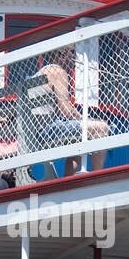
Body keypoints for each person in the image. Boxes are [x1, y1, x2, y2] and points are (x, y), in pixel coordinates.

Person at [39, 47, 108, 175]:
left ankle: (67, 180)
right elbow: (66, 110)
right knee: (101, 127)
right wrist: (85, 119)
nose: (76, 58)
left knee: (77, 136)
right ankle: (97, 178)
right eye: (73, 53)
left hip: (32, 131)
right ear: (62, 55)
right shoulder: (58, 71)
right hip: (44, 131)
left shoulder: (44, 71)